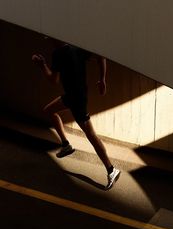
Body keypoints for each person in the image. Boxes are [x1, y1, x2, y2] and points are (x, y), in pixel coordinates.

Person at [32, 38, 120, 190]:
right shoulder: (73, 49)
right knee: (48, 110)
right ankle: (66, 145)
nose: (48, 40)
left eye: (49, 38)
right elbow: (101, 56)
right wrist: (102, 79)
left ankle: (111, 170)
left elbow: (53, 80)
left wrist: (42, 65)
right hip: (72, 96)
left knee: (91, 135)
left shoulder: (63, 53)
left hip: (77, 99)